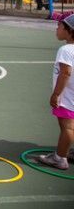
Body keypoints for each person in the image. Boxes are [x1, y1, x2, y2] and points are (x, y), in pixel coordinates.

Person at [37, 13, 74, 169]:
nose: (56, 28)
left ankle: (60, 158)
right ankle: (65, 151)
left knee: (67, 126)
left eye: (59, 26)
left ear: (69, 30)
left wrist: (56, 94)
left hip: (68, 96)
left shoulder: (66, 50)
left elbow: (65, 73)